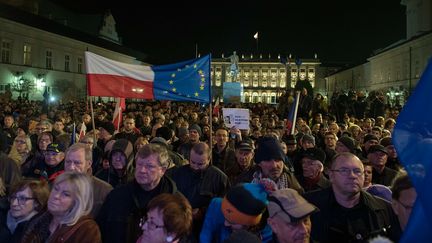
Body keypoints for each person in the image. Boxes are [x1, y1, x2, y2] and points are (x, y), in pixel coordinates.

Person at [304, 152, 400, 242]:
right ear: (331, 176)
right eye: (344, 170)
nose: (352, 176)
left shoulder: (385, 209)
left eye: (357, 171)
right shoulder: (307, 206)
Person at [97, 143, 178, 243]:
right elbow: (101, 230)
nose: (142, 170)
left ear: (163, 170)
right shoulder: (117, 196)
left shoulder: (175, 204)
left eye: (149, 166)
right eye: (139, 164)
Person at [171, 142, 229, 240]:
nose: (195, 166)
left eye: (200, 164)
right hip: (181, 224)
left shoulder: (219, 177)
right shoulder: (178, 173)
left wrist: (202, 211)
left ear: (209, 160)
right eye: (192, 162)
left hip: (207, 227)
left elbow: (225, 203)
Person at [21, 172, 101, 243]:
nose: (56, 196)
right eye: (56, 189)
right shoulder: (40, 217)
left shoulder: (87, 230)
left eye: (66, 194)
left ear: (76, 202)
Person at [200, 183, 272, 243]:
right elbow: (206, 234)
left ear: (249, 224)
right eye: (225, 217)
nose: (225, 223)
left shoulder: (268, 234)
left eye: (232, 222)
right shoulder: (217, 205)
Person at [237, 136, 303, 193]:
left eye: (278, 160)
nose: (274, 165)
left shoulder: (294, 186)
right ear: (259, 163)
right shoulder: (244, 182)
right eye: (268, 160)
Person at [64, 143, 113, 217]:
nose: (71, 167)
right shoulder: (56, 185)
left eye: (77, 163)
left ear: (89, 164)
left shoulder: (104, 190)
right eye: (68, 162)